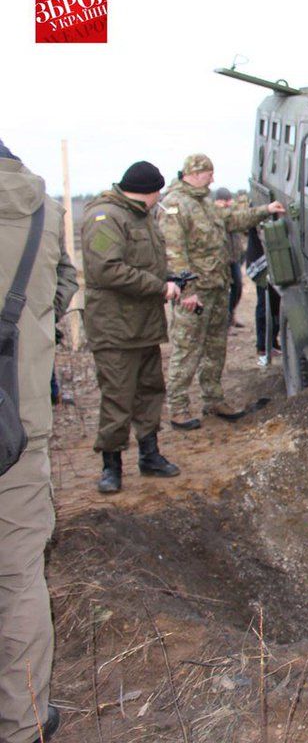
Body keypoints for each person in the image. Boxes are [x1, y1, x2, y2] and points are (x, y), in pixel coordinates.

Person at [0, 139, 75, 741]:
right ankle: (24, 722)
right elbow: (63, 288)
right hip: (16, 423)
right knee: (20, 577)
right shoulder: (43, 209)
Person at [160, 154, 284, 428]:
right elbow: (174, 252)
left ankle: (213, 399)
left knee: (216, 348)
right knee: (187, 349)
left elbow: (232, 220)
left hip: (217, 288)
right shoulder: (175, 205)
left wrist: (265, 210)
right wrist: (187, 290)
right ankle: (178, 409)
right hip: (194, 294)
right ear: (194, 173)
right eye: (208, 174)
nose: (213, 179)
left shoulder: (204, 201)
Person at [81, 161, 183, 494]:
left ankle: (149, 456)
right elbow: (106, 270)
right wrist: (158, 287)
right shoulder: (105, 217)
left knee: (150, 391)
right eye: (158, 193)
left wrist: (168, 279)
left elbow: (147, 263)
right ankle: (111, 466)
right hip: (115, 330)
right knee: (118, 398)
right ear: (150, 192)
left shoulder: (142, 216)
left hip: (143, 326)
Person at [244, 223, 281, 366]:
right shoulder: (259, 212)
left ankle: (271, 343)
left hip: (267, 261)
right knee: (265, 305)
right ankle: (264, 346)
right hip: (262, 263)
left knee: (272, 304)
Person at [213, 187, 245, 328]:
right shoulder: (214, 215)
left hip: (234, 258)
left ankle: (231, 314)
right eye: (224, 201)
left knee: (237, 287)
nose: (227, 204)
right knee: (223, 292)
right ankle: (224, 320)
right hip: (222, 260)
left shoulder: (231, 214)